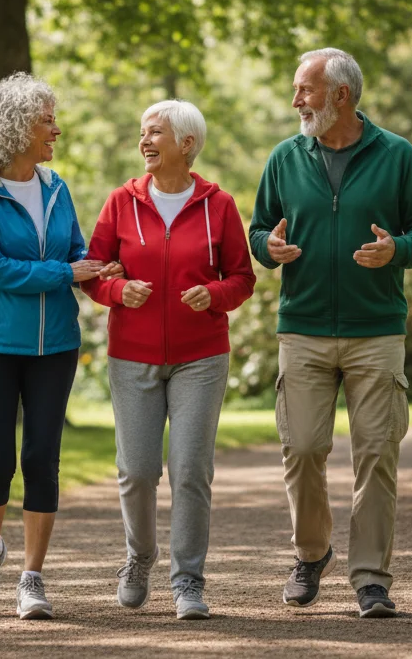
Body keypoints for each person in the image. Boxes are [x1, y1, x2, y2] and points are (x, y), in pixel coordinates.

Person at [248, 48, 412, 618]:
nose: (295, 101)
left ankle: (371, 579)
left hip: (376, 331)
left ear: (342, 95)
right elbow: (259, 227)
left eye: (304, 90)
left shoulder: (397, 155)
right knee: (303, 447)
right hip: (303, 328)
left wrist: (397, 251)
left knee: (378, 453)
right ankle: (311, 555)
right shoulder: (285, 157)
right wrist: (268, 247)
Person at [82, 99, 256, 620]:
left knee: (189, 470)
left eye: (155, 132)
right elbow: (91, 272)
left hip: (200, 357)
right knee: (136, 470)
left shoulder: (218, 205)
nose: (144, 141)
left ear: (186, 143)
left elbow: (242, 278)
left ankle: (188, 581)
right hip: (132, 355)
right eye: (142, 132)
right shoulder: (120, 202)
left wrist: (215, 295)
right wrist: (117, 290)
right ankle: (139, 558)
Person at [0, 72, 116, 620]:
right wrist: (64, 271)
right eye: (47, 120)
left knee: (42, 459)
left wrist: (100, 268)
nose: (57, 130)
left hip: (55, 345)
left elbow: (75, 250)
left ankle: (32, 578)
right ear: (16, 125)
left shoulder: (56, 187)